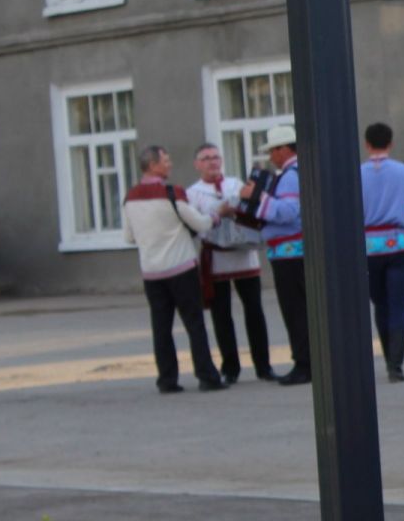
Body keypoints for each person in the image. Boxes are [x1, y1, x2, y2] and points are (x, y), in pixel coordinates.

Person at [122, 145, 223, 395]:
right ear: (153, 165)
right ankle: (207, 375)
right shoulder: (171, 193)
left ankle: (167, 379)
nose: (169, 164)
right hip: (180, 268)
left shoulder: (130, 197)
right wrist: (216, 215)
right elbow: (199, 222)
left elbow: (128, 237)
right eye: (165, 160)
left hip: (151, 272)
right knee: (194, 323)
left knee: (161, 326)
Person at [187, 142, 274, 384]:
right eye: (206, 158)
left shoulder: (236, 184)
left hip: (244, 254)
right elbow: (195, 224)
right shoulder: (193, 193)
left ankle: (263, 365)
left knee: (254, 310)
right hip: (217, 257)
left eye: (215, 157)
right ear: (197, 165)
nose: (212, 162)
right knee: (221, 314)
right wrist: (218, 212)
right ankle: (230, 367)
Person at [359, 122, 404, 383]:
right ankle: (395, 365)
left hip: (368, 247)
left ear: (367, 144)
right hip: (399, 244)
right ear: (390, 142)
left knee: (380, 303)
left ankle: (388, 355)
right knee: (399, 304)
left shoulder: (358, 173)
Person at [245, 125, 311, 386]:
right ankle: (306, 360)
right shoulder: (294, 173)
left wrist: (255, 198)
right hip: (291, 253)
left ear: (284, 149)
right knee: (299, 310)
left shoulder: (290, 176)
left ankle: (304, 363)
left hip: (290, 255)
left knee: (296, 311)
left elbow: (288, 212)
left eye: (273, 150)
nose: (271, 156)